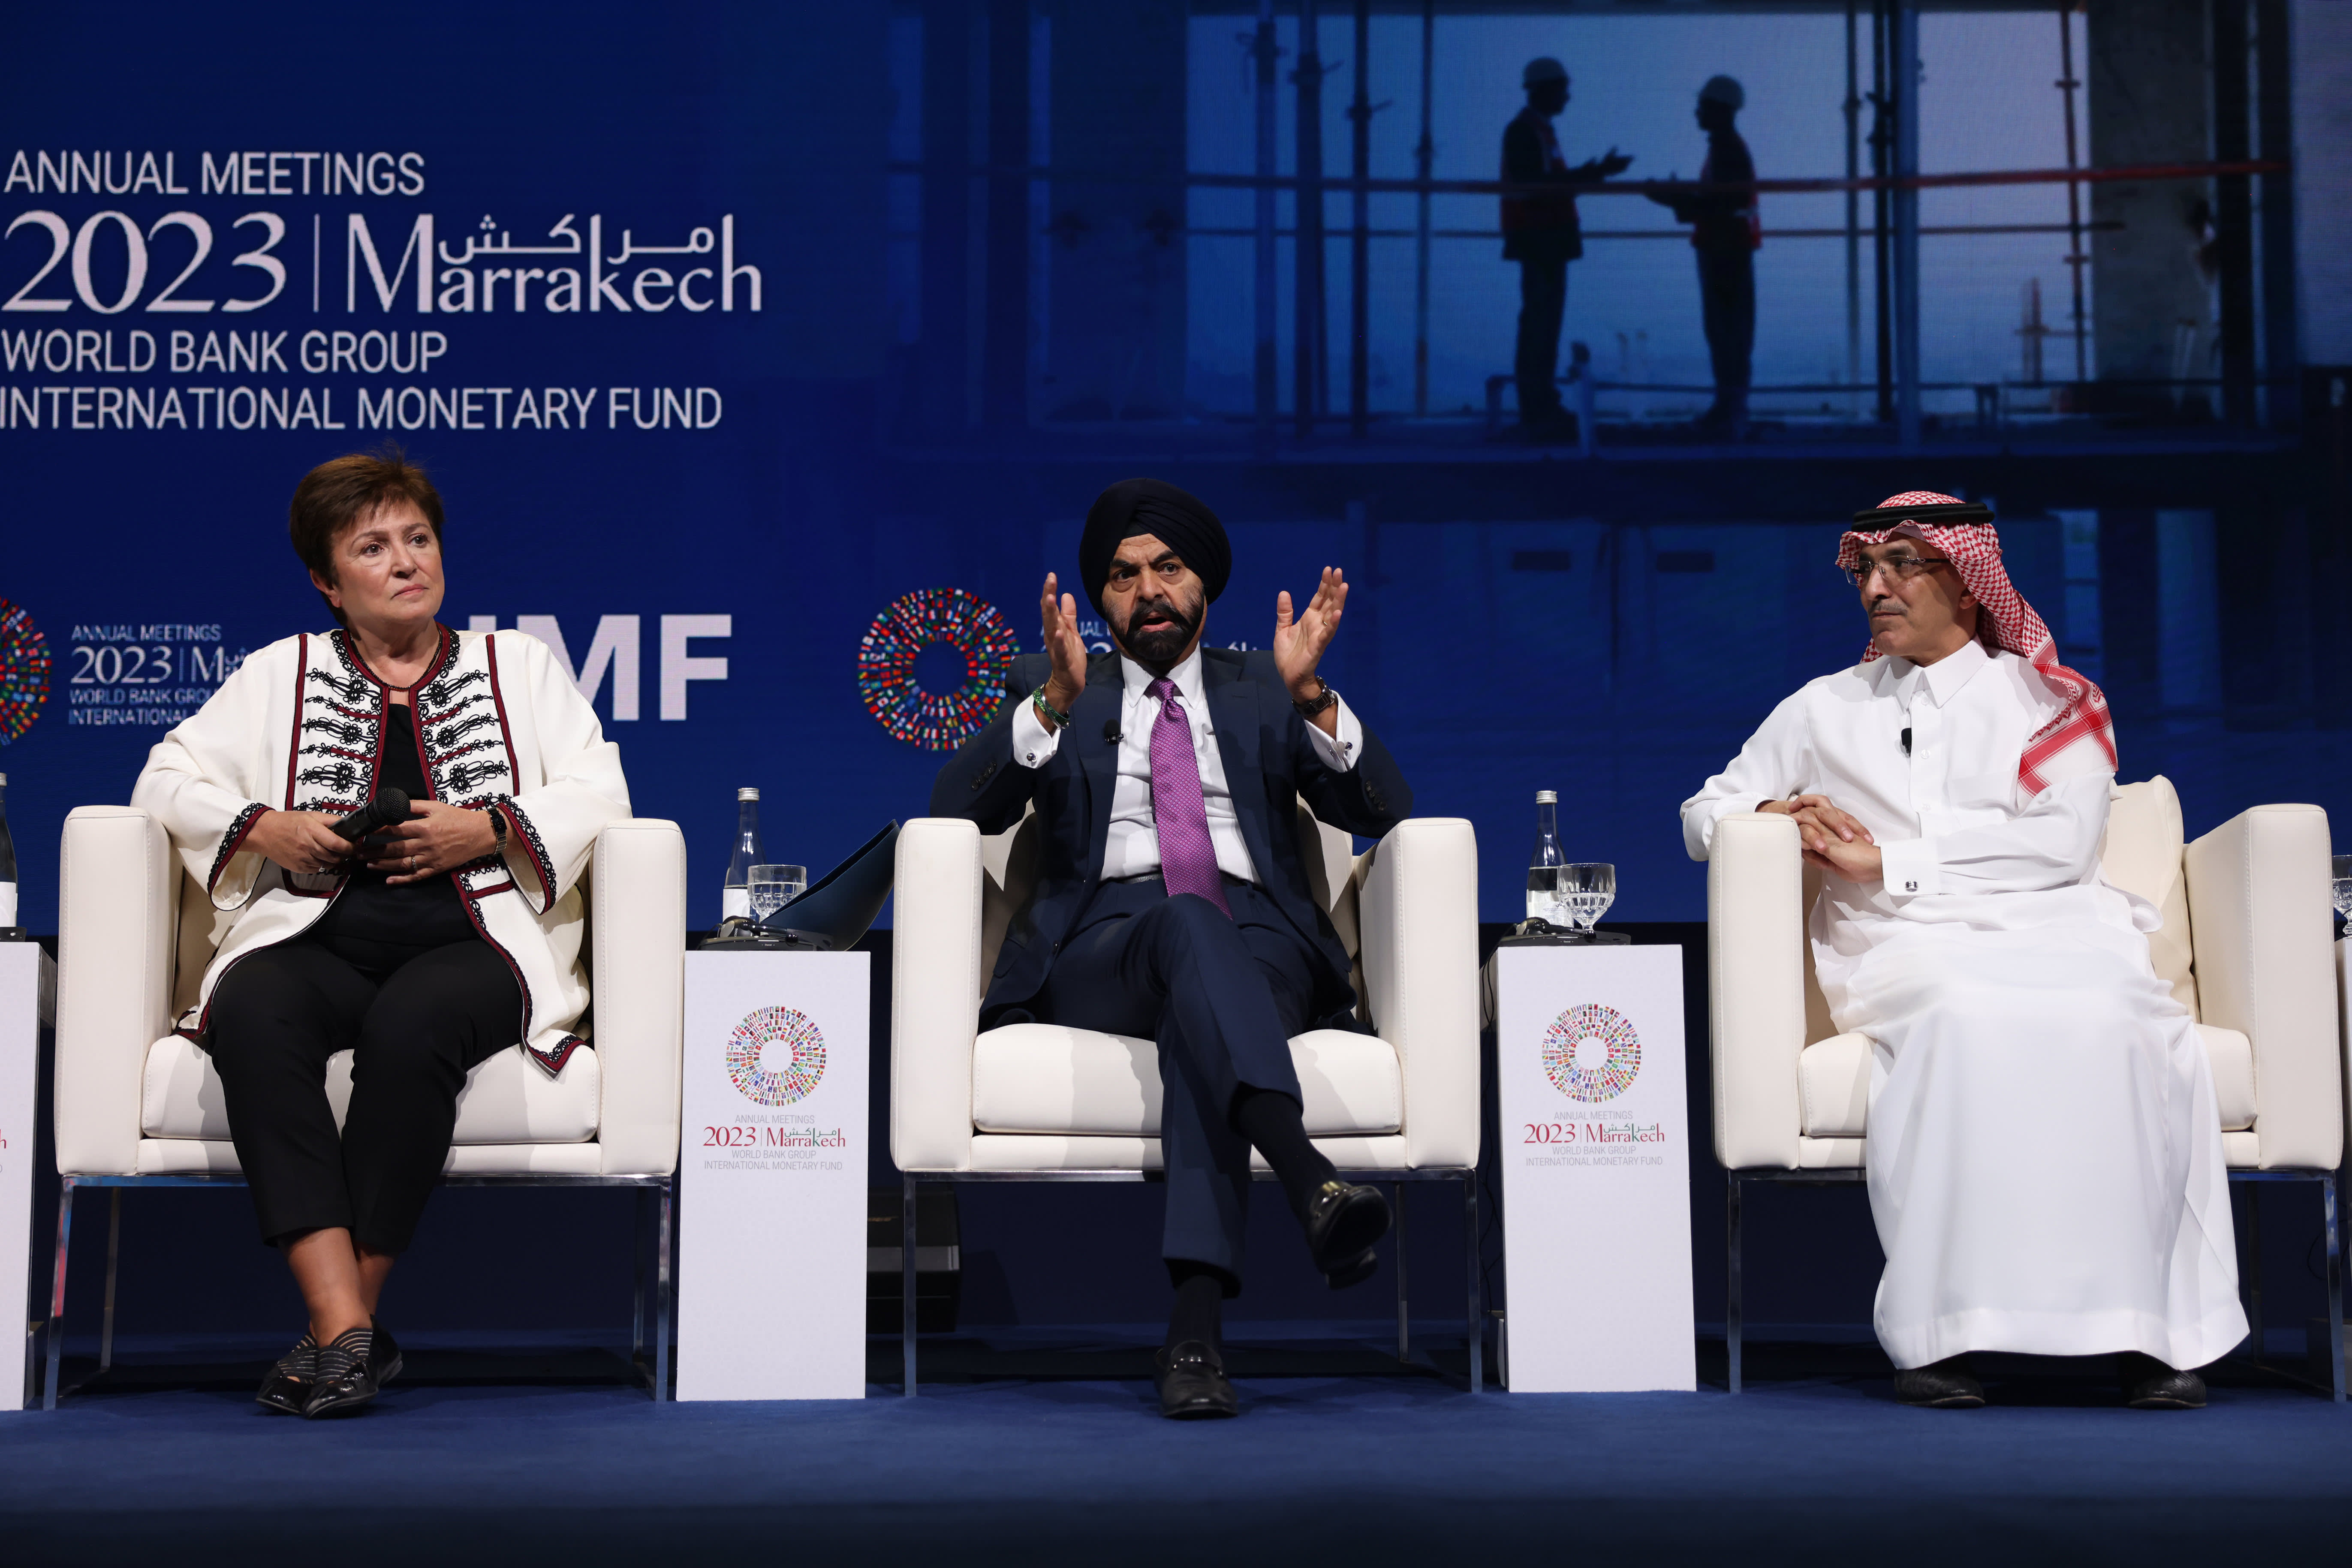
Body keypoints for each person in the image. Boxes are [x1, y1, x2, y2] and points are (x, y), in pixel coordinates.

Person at [1680, 491, 2244, 1410]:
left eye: (1904, 563)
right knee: (1963, 1012)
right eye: (1866, 566)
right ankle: (1945, 1333)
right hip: (1901, 943)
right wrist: (1775, 813)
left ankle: (2149, 1331)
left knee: (2119, 1017)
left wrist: (1889, 857)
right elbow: (1705, 812)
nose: (1877, 585)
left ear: (1969, 580)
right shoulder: (1823, 708)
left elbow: (2061, 846)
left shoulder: (2050, 701)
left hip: (2056, 925)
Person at [132, 449, 629, 1418]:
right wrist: (262, 825)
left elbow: (598, 787)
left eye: (418, 538)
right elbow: (165, 777)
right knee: (255, 1009)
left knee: (412, 1029)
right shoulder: (282, 671)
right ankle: (345, 1326)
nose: (406, 561)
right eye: (373, 547)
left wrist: (484, 825)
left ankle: (337, 1331)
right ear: (327, 580)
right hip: (317, 933)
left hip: (473, 941)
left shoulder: (516, 665)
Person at [931, 478, 1412, 1420]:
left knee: (1208, 1003)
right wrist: (1051, 707)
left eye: (1168, 568)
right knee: (1190, 929)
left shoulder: (1264, 685)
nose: (1147, 590)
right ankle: (1307, 1179)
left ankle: (1195, 1334)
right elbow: (955, 810)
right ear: (1098, 596)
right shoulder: (1060, 684)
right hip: (1104, 944)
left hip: (1264, 940)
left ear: (1204, 585)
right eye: (1122, 574)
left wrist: (1313, 697)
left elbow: (1384, 814)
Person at [1501, 56, 1632, 442]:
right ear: (1542, 89)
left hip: (1546, 241)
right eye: (1562, 89)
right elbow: (1537, 189)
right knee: (1539, 327)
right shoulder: (1525, 132)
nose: (1567, 97)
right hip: (1539, 240)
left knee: (1543, 327)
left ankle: (1540, 405)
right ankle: (1537, 409)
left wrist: (1595, 172)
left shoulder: (1538, 131)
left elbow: (1547, 185)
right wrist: (1595, 174)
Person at [1647, 75, 1759, 436]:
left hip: (1724, 250)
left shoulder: (1726, 150)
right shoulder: (1725, 148)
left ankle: (1729, 409)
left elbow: (1723, 204)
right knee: (1730, 331)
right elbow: (1722, 202)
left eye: (1703, 106)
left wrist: (1674, 199)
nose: (1697, 112)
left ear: (1719, 110)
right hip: (1727, 247)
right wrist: (1682, 199)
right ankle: (1729, 405)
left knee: (1726, 331)